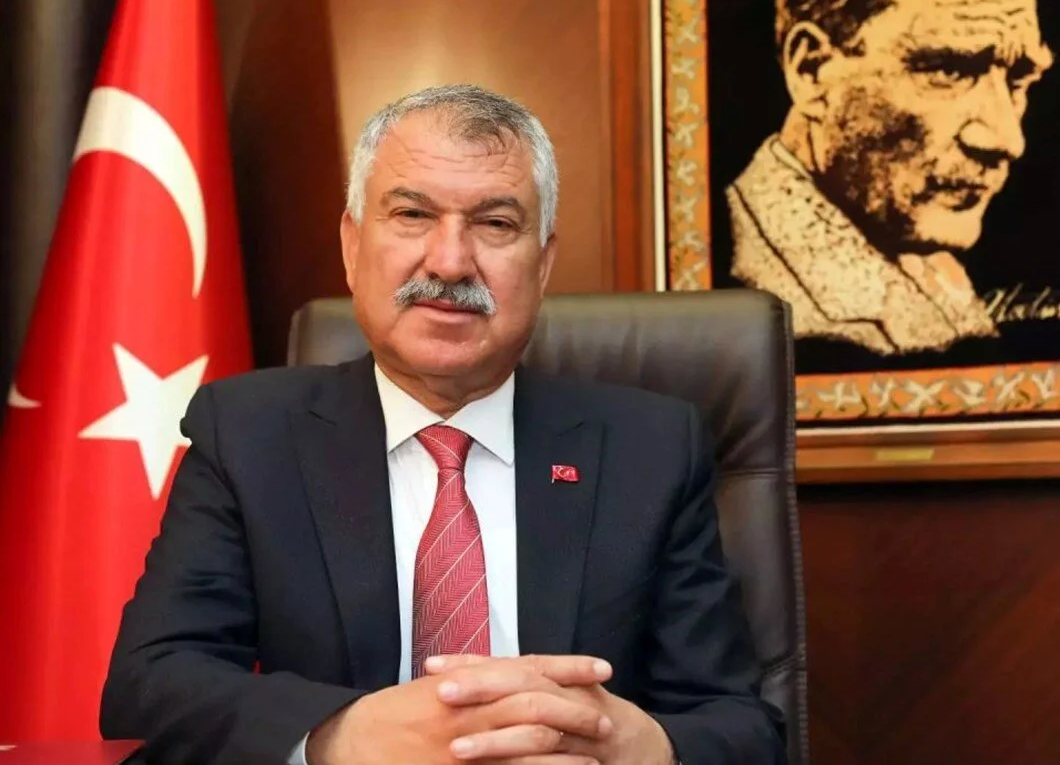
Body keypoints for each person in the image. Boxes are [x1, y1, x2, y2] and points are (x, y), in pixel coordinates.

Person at [100, 84, 785, 764]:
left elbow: (742, 726)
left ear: (543, 264)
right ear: (352, 244)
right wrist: (338, 736)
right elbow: (151, 680)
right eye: (412, 214)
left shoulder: (650, 450)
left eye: (496, 224)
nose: (451, 261)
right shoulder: (250, 435)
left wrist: (648, 746)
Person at [727, 0, 1053, 355]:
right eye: (949, 71)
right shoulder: (759, 294)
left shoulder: (909, 246)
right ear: (811, 70)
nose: (1007, 140)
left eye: (1017, 82)